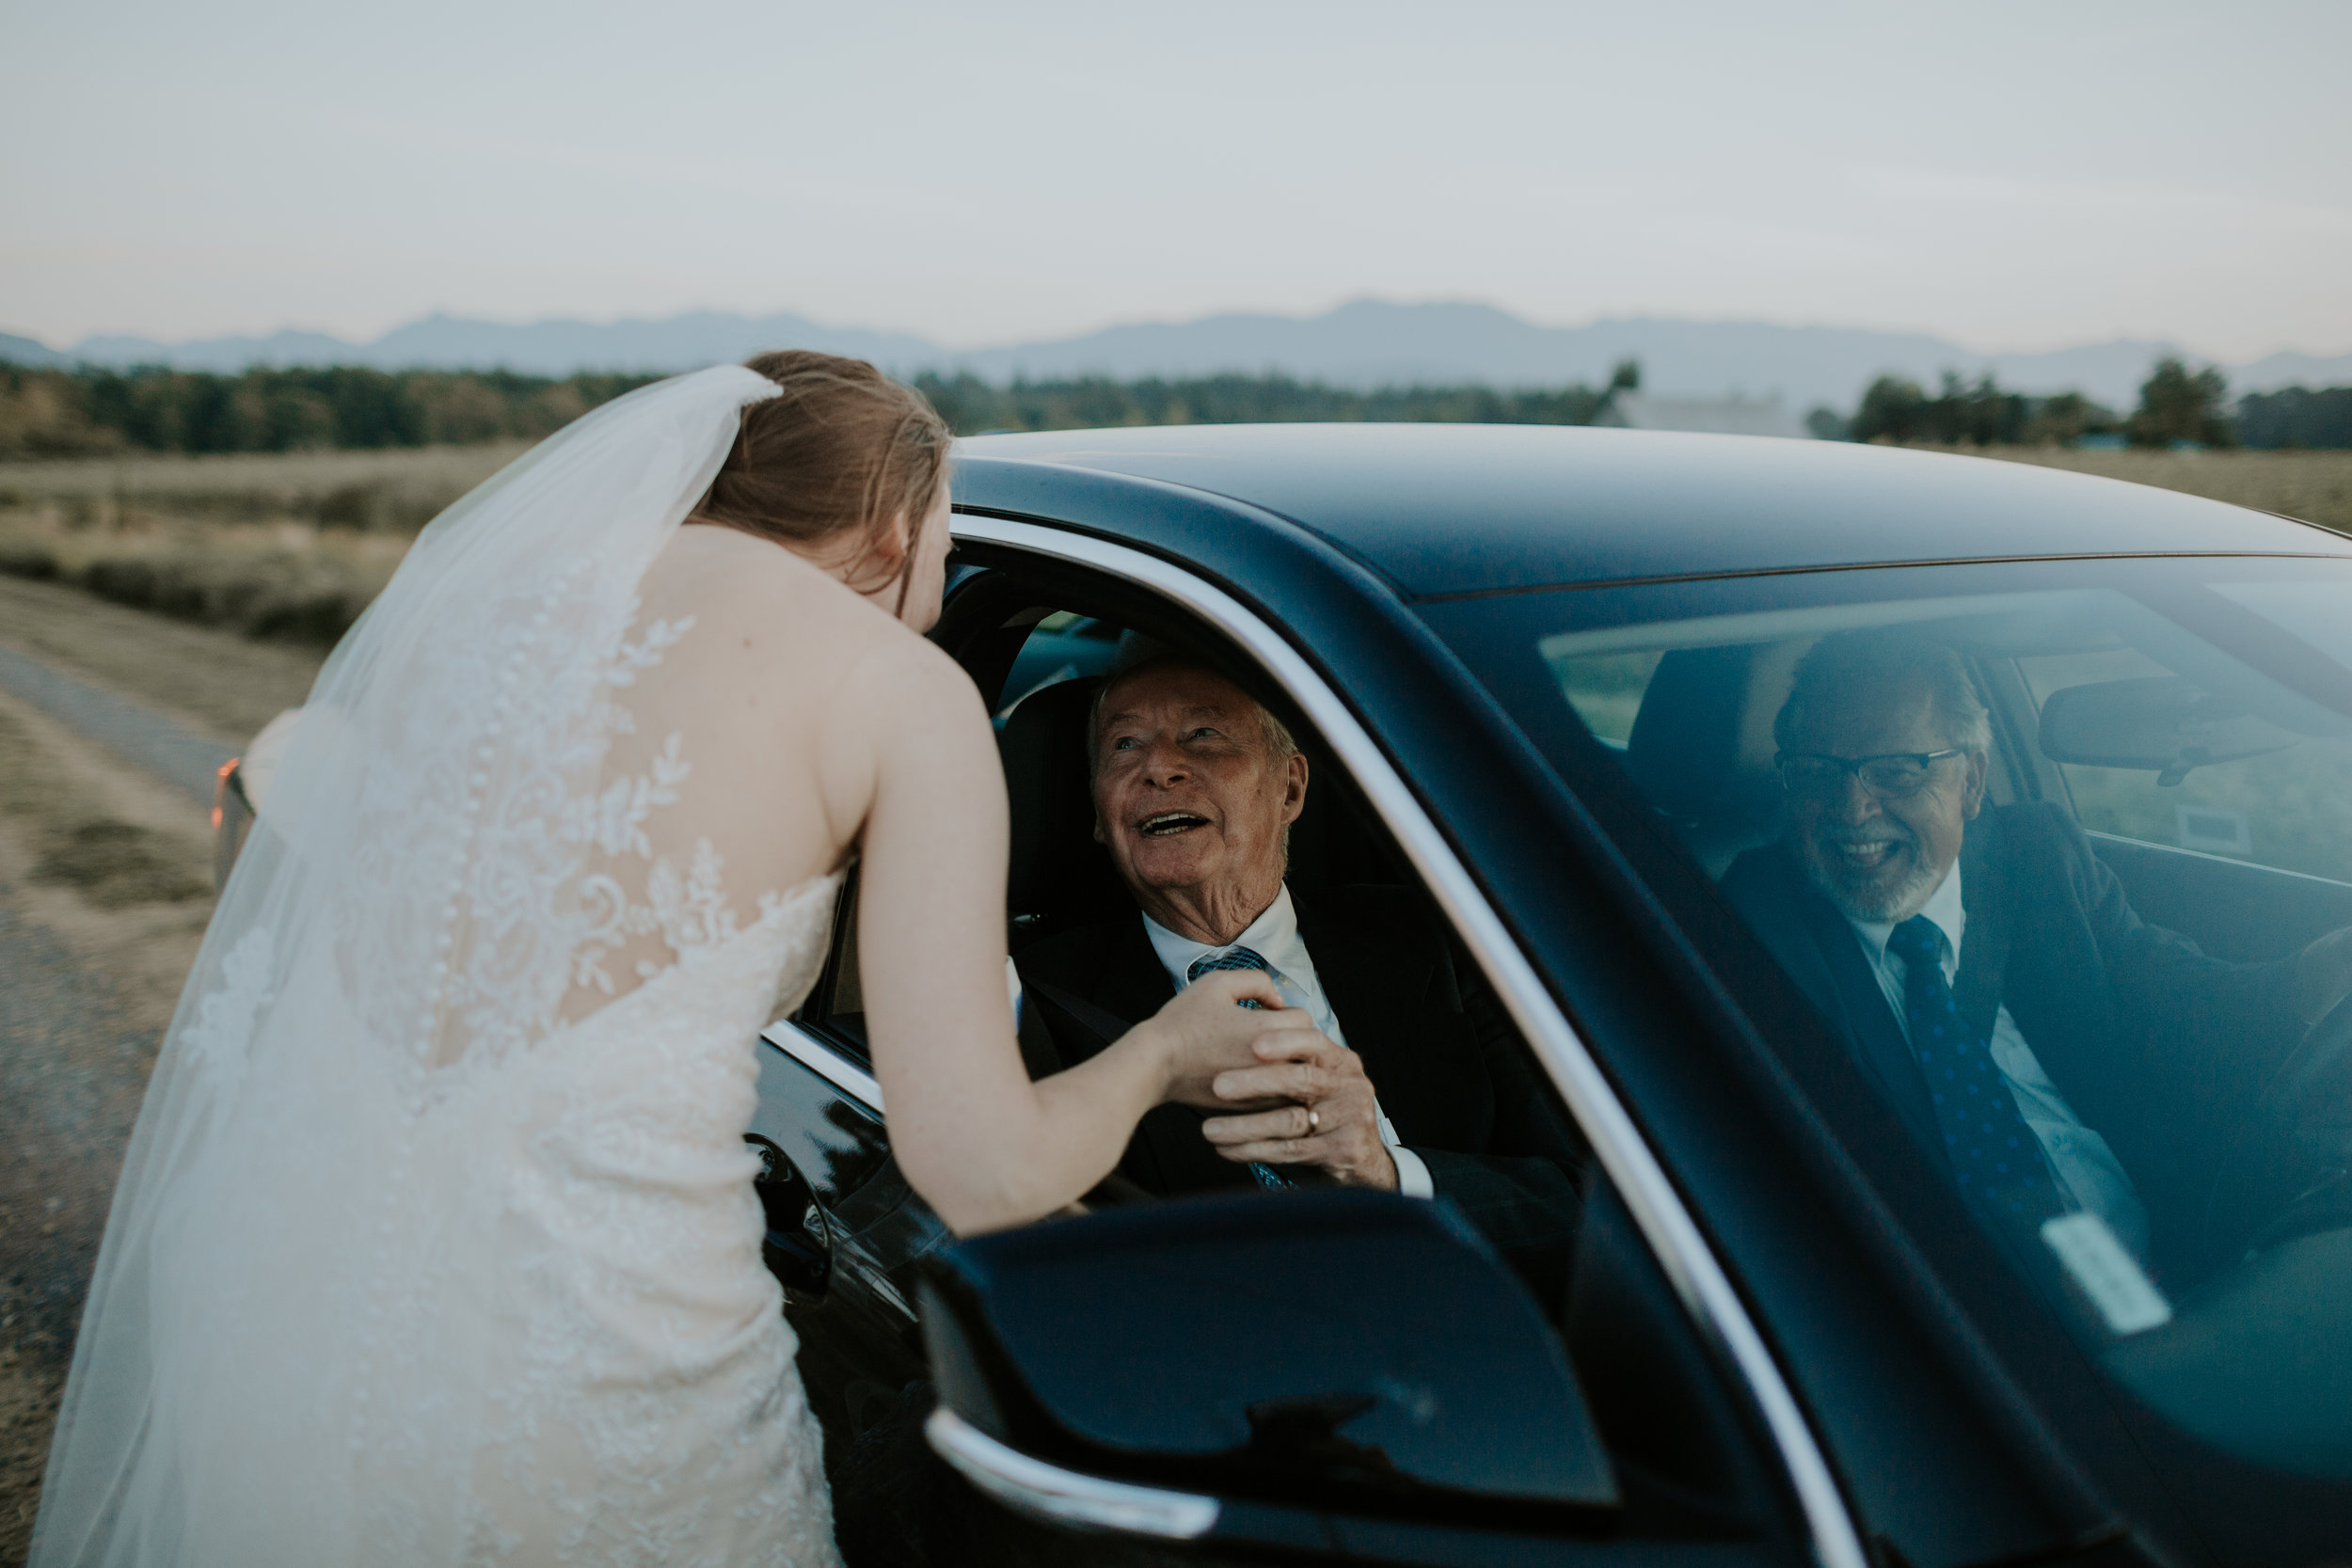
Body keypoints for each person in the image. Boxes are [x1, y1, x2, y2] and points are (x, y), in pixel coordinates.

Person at [31, 356, 1310, 1568]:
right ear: (888, 527)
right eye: (941, 541)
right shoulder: (897, 689)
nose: (935, 587)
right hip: (622, 1344)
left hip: (347, 1311)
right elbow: (981, 1173)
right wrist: (1160, 1054)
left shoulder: (496, 627)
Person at [1719, 631, 2352, 1274]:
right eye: (1816, 773)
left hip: (2174, 1261)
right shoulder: (1756, 923)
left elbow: (2169, 989)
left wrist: (2310, 978)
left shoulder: (2035, 854)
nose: (1852, 809)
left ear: (1971, 781)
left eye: (1896, 771)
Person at [1013, 655, 1588, 1296]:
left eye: (1203, 735)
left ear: (1290, 789)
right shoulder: (1034, 997)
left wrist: (1384, 1173)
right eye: (1125, 744)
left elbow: (1591, 1206)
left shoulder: (1439, 941)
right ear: (1098, 813)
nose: (1159, 766)